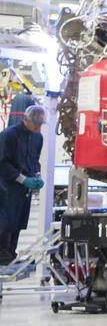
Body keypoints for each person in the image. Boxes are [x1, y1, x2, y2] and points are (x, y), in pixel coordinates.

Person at [0, 106, 45, 265]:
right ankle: (3, 256)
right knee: (5, 221)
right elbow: (2, 164)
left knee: (18, 221)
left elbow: (34, 161)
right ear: (25, 120)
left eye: (40, 125)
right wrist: (22, 179)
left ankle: (11, 255)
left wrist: (36, 176)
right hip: (6, 187)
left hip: (23, 190)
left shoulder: (37, 138)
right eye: (35, 124)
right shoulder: (8, 136)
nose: (38, 128)